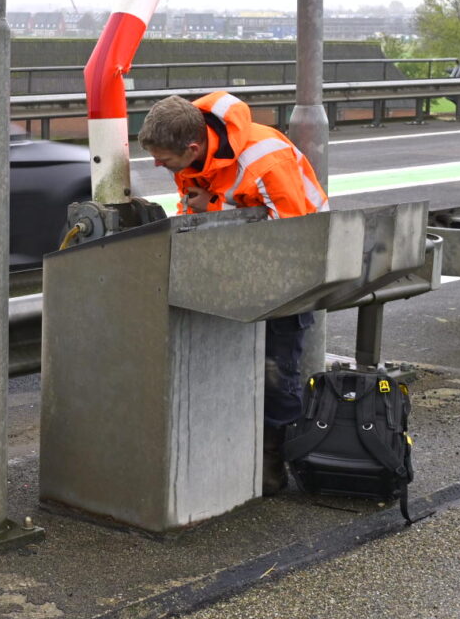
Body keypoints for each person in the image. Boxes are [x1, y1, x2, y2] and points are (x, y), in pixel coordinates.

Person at [138, 92, 331, 494]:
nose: (158, 165)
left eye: (164, 159)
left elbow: (291, 237)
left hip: (290, 270)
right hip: (237, 263)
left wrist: (215, 213)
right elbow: (195, 208)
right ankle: (236, 454)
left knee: (278, 369)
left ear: (191, 146)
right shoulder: (193, 156)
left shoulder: (264, 158)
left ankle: (272, 467)